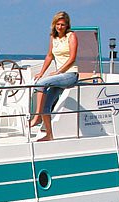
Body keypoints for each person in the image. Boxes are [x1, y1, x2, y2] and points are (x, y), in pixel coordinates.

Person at [29, 11, 79, 142]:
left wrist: (59, 71)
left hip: (70, 74)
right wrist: (41, 72)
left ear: (67, 25)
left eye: (62, 24)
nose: (60, 27)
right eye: (58, 24)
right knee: (46, 104)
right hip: (61, 76)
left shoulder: (71, 36)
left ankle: (37, 117)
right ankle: (49, 135)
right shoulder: (53, 37)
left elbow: (72, 58)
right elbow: (49, 56)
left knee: (41, 84)